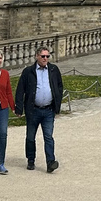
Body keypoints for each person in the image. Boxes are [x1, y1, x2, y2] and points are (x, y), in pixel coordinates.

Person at [15, 45, 63, 173]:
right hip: (33, 110)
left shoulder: (53, 69)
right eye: (43, 56)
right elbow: (20, 90)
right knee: (30, 137)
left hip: (48, 110)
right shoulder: (28, 71)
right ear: (37, 56)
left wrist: (57, 104)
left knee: (48, 137)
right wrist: (18, 108)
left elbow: (59, 87)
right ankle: (31, 160)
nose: (45, 58)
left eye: (47, 56)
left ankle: (50, 162)